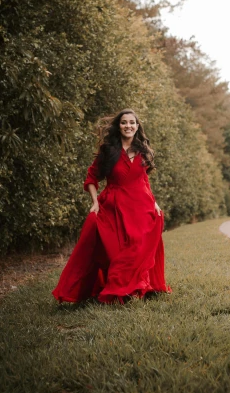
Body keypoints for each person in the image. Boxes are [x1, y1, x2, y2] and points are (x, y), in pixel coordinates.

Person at [52, 109, 171, 304]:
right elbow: (91, 178)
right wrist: (95, 203)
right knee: (115, 251)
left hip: (140, 205)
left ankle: (137, 287)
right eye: (124, 122)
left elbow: (144, 180)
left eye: (132, 122)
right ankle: (118, 288)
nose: (128, 126)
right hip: (113, 205)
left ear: (137, 126)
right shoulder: (108, 151)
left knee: (137, 247)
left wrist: (154, 202)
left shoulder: (143, 151)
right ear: (119, 126)